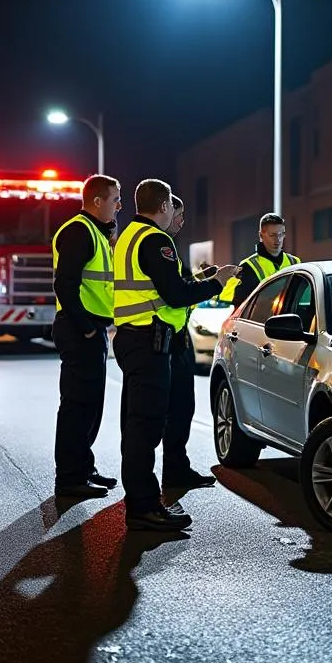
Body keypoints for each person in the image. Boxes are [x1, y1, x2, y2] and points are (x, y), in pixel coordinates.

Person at [112, 179, 239, 531]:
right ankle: (144, 507)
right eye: (171, 206)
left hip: (134, 338)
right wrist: (219, 282)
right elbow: (175, 294)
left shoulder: (128, 236)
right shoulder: (155, 239)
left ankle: (141, 501)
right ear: (164, 205)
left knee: (137, 425)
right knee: (146, 427)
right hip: (149, 342)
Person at [50, 174, 121, 498]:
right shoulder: (79, 231)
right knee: (78, 406)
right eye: (115, 199)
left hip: (91, 330)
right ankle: (70, 478)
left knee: (90, 405)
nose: (119, 205)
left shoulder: (95, 232)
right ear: (97, 201)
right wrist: (88, 327)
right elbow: (65, 285)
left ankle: (83, 468)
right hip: (81, 330)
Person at [162, 194, 218, 491]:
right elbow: (177, 294)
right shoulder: (159, 245)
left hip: (174, 339)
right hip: (163, 341)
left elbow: (179, 285)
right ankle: (167, 479)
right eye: (178, 215)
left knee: (182, 408)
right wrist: (215, 284)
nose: (182, 221)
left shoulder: (166, 246)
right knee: (172, 411)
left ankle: (176, 469)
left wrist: (199, 277)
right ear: (166, 211)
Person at [218, 213, 301, 306]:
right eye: (272, 235)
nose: (278, 239)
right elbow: (240, 306)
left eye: (281, 234)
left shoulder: (295, 262)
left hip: (292, 317)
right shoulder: (248, 266)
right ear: (261, 235)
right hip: (261, 319)